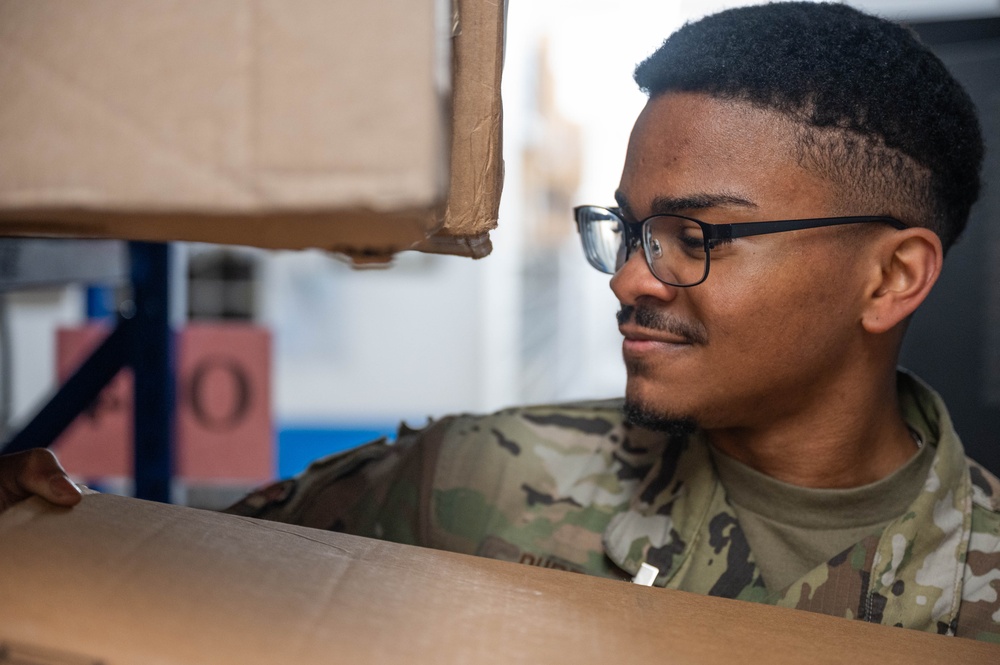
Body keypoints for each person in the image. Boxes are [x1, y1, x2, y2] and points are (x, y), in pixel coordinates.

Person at [2, 1, 999, 642]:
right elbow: (155, 589)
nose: (627, 283)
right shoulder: (473, 479)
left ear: (891, 277)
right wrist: (30, 518)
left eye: (695, 234)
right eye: (629, 228)